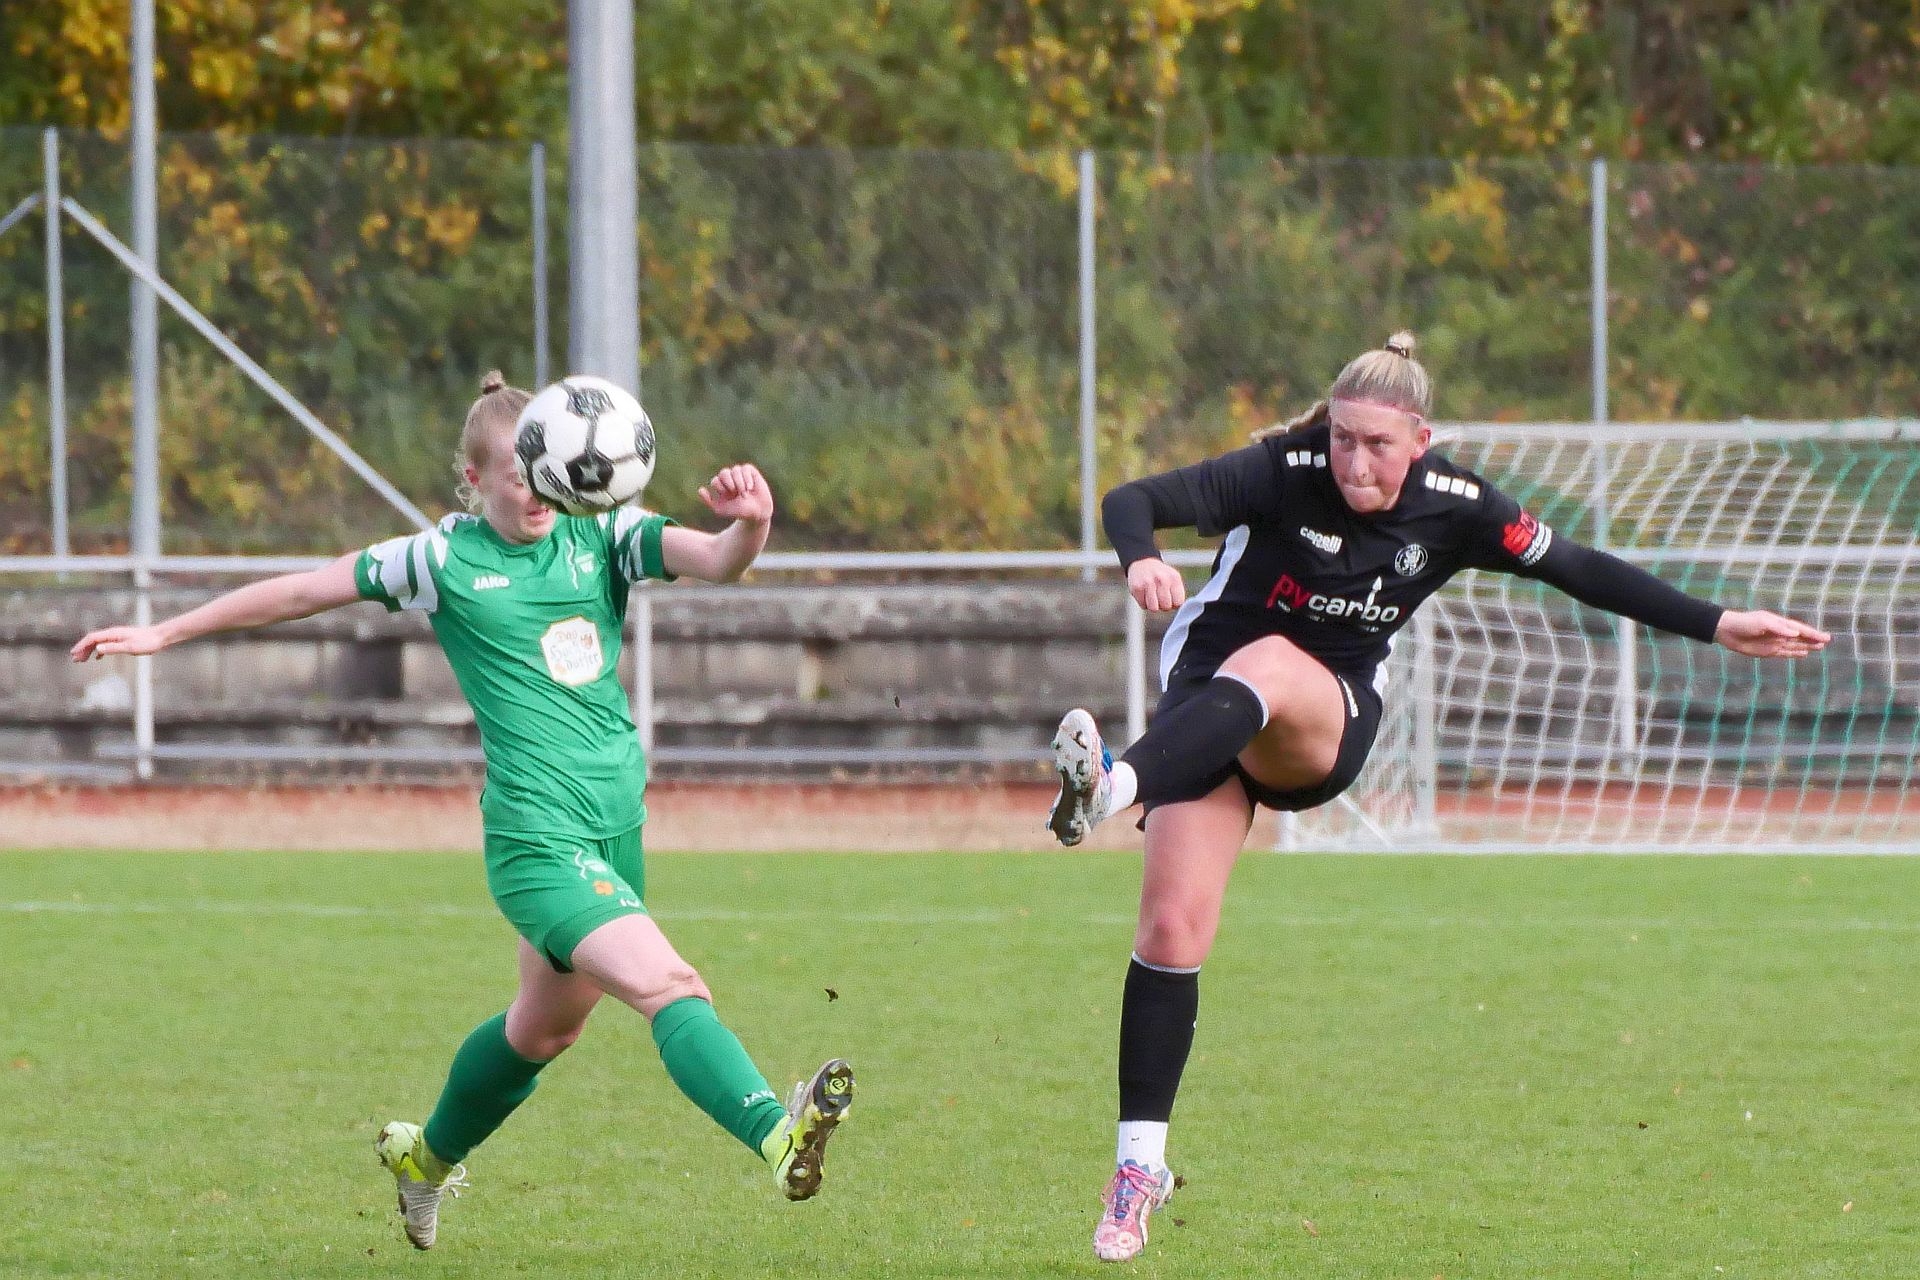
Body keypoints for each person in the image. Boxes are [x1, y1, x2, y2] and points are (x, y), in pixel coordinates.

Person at [1045, 333, 1830, 1263]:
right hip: (1205, 722)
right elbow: (1133, 499)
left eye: (1377, 445)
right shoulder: (1281, 470)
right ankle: (1139, 1168)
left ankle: (1110, 787)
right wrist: (1140, 556)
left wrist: (1718, 621)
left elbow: (1577, 566)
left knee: (1273, 662)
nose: (1353, 461)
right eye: (1342, 439)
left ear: (1420, 440)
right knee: (1172, 932)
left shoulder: (1459, 506)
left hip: (1322, 725)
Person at [71, 371, 854, 1251]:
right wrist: (164, 633)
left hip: (616, 828)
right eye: (519, 477)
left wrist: (752, 521)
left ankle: (426, 1159)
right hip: (537, 839)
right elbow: (304, 589)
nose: (539, 493)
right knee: (669, 985)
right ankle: (777, 1135)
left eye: (549, 474)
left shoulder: (604, 534)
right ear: (476, 480)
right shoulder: (440, 561)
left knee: (544, 1031)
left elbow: (717, 560)